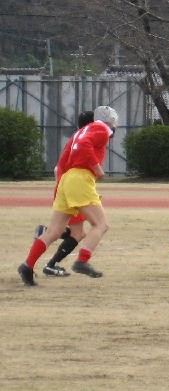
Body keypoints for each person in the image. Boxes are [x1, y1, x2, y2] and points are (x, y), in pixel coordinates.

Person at [18, 106, 118, 286]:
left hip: (67, 180)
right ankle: (82, 261)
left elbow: (76, 149)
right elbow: (85, 145)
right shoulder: (101, 128)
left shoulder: (81, 131)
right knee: (101, 224)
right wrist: (97, 168)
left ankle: (27, 265)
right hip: (80, 178)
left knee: (53, 232)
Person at [33, 110, 94, 277]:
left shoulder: (77, 138)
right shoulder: (84, 141)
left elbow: (58, 168)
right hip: (71, 191)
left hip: (66, 189)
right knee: (78, 233)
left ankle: (46, 240)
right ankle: (51, 264)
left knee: (74, 232)